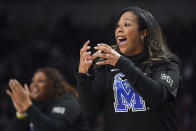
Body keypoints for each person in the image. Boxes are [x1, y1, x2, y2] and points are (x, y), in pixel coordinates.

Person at [75, 7, 181, 131]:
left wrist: (121, 63)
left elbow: (158, 97)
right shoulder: (107, 64)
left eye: (126, 24)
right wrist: (82, 76)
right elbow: (90, 111)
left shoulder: (166, 64)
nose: (119, 29)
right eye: (118, 25)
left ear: (143, 33)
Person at [6, 67, 89, 131]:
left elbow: (53, 129)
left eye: (40, 81)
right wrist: (21, 113)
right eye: (33, 81)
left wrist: (26, 103)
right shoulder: (34, 106)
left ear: (53, 85)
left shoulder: (68, 102)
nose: (34, 85)